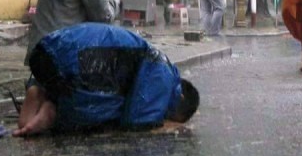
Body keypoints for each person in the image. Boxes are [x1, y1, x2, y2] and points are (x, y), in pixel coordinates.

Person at [13, 23, 200, 137]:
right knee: (115, 113)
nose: (166, 115)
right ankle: (53, 110)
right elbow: (138, 121)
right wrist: (162, 127)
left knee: (118, 96)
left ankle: (40, 92)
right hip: (70, 63)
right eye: (172, 116)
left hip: (48, 51)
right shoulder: (164, 75)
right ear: (181, 97)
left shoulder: (155, 58)